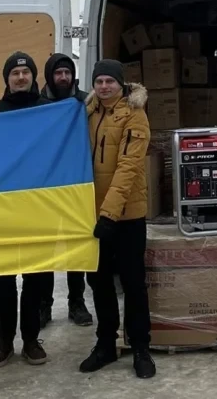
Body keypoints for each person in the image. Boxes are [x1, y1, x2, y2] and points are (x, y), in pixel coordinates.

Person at [78, 59, 156, 379]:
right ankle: (106, 344)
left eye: (110, 81)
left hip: (127, 215)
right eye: (99, 82)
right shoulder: (86, 113)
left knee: (133, 282)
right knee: (99, 283)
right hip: (92, 214)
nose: (105, 86)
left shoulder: (135, 114)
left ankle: (140, 347)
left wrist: (110, 213)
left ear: (121, 84)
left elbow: (128, 168)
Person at [0, 52, 52, 368]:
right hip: (2, 209)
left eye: (26, 72)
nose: (21, 77)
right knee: (4, 280)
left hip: (38, 209)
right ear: (6, 79)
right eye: (15, 73)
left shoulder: (50, 112)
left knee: (35, 277)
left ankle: (32, 340)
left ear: (33, 76)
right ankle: (6, 341)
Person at [38, 53, 93, 329]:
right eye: (58, 73)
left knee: (75, 245)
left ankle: (77, 303)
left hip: (75, 184)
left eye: (67, 73)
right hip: (43, 189)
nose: (63, 78)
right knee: (47, 248)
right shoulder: (35, 106)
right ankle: (43, 305)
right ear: (50, 76)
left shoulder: (84, 102)